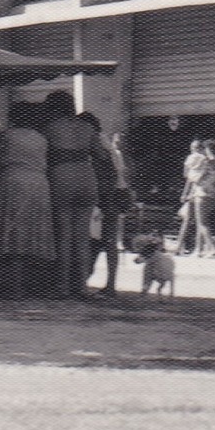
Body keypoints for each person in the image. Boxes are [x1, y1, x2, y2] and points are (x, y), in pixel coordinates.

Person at [0, 102, 55, 300]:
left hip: (14, 182)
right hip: (39, 183)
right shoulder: (42, 138)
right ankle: (33, 286)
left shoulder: (7, 136)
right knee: (35, 233)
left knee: (15, 234)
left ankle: (15, 287)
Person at [41, 90, 100, 300]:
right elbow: (100, 155)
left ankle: (63, 286)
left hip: (62, 177)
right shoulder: (88, 127)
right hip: (87, 176)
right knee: (82, 237)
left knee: (64, 236)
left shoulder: (49, 128)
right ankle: (82, 286)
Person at [81, 112, 132, 296]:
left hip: (105, 197)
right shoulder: (109, 145)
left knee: (94, 240)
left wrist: (101, 199)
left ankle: (86, 281)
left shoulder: (96, 143)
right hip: (116, 195)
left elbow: (107, 173)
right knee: (109, 242)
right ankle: (110, 284)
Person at [175, 139, 207, 254]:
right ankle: (198, 247)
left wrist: (184, 194)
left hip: (192, 191)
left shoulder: (191, 158)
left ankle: (179, 246)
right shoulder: (205, 159)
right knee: (199, 221)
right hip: (201, 191)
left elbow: (187, 176)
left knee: (188, 220)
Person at [191, 138, 215, 258]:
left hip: (202, 193)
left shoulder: (207, 163)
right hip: (213, 194)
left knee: (202, 223)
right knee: (202, 223)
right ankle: (199, 249)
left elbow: (197, 179)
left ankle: (213, 248)